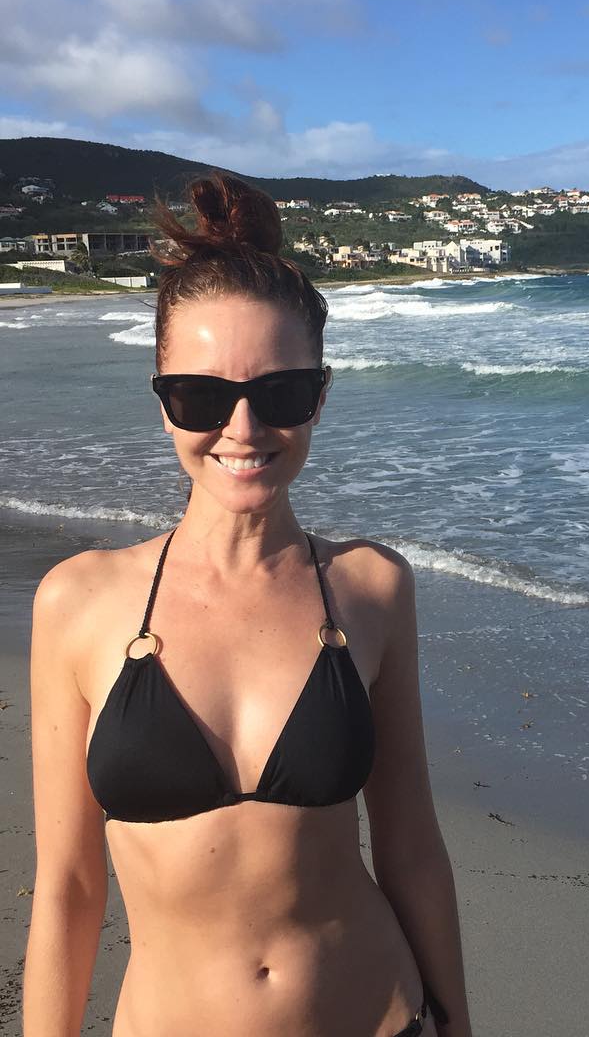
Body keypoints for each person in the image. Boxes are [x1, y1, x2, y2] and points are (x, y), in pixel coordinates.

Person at [22, 172, 472, 1037]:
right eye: (201, 394)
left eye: (280, 394)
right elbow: (70, 887)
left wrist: (457, 1022)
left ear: (320, 397)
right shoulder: (79, 601)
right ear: (163, 403)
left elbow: (412, 848)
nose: (243, 428)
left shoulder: (372, 587)